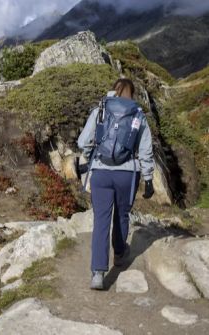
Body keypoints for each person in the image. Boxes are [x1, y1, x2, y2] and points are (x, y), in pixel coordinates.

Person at [77, 78, 155, 290]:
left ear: (114, 90)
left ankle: (98, 274)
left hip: (100, 172)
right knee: (121, 215)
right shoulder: (137, 114)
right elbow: (146, 150)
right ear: (132, 93)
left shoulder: (101, 109)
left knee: (101, 220)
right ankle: (120, 254)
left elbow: (83, 141)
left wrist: (90, 156)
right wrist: (148, 178)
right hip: (127, 175)